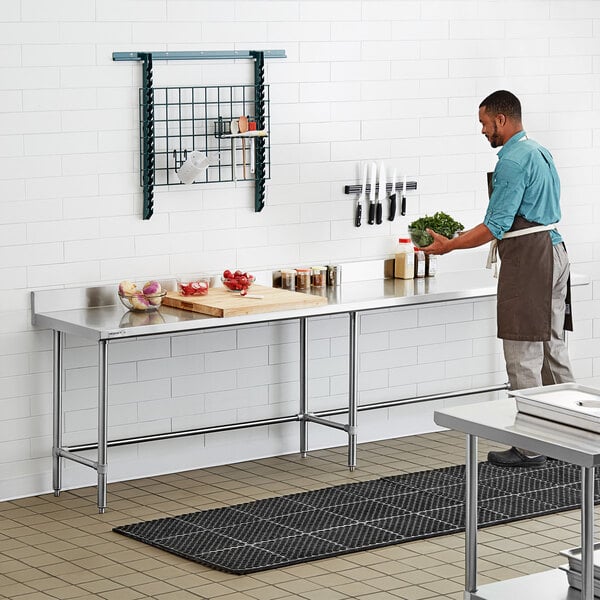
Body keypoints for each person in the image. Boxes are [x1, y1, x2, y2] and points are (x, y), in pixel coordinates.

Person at [423, 90, 574, 467]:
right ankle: (573, 436)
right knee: (552, 348)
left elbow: (496, 224)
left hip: (529, 261)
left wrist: (451, 246)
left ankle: (531, 447)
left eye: (484, 123)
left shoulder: (512, 161)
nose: (482, 130)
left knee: (523, 352)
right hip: (554, 251)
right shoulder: (539, 151)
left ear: (502, 120)